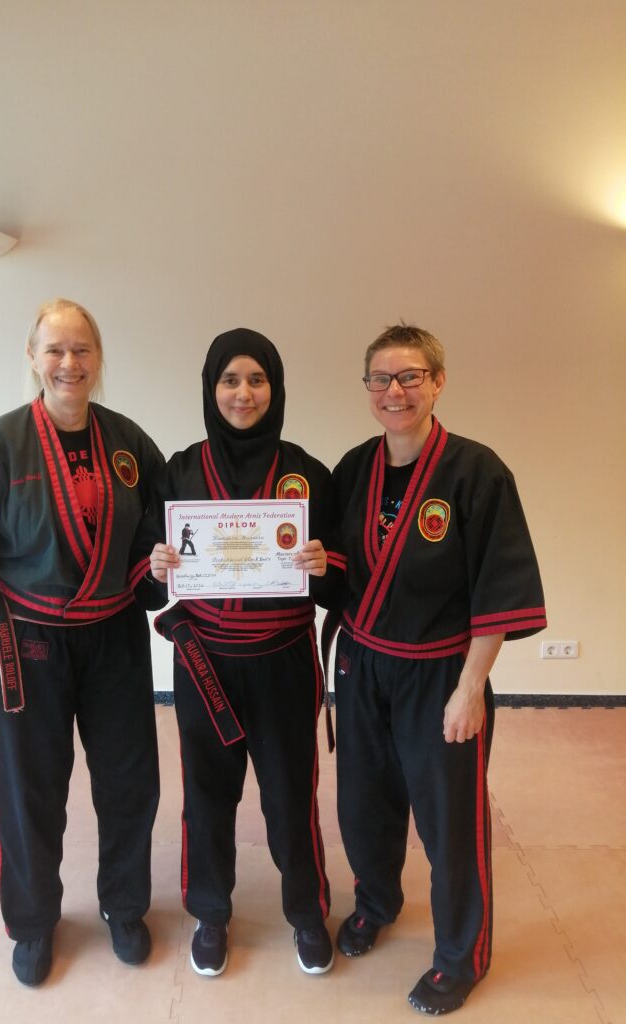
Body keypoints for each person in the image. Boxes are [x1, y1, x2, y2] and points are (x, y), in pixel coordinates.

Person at [0, 299, 164, 987]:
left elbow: (156, 542)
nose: (69, 364)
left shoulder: (130, 444)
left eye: (81, 350)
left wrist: (168, 565)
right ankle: (32, 923)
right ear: (32, 357)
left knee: (130, 780)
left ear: (98, 358)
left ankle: (124, 905)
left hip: (113, 635)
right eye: (55, 350)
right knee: (31, 791)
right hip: (28, 641)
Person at [327, 324, 546, 1015]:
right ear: (366, 389)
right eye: (382, 379)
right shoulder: (354, 468)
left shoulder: (477, 472)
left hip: (439, 672)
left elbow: (499, 590)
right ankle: (376, 902)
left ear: (438, 382)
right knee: (364, 805)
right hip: (363, 665)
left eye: (410, 377)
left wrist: (470, 689)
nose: (395, 391)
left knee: (449, 821)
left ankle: (461, 954)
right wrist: (306, 562)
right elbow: (338, 565)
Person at [134, 328, 333, 977]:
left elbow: (345, 578)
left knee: (289, 796)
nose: (243, 393)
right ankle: (211, 913)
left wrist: (322, 563)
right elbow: (142, 578)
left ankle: (306, 912)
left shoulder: (306, 472)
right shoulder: (179, 470)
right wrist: (159, 567)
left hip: (284, 663)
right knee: (207, 794)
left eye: (256, 380)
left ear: (275, 389)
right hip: (205, 661)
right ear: (209, 389)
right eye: (229, 380)